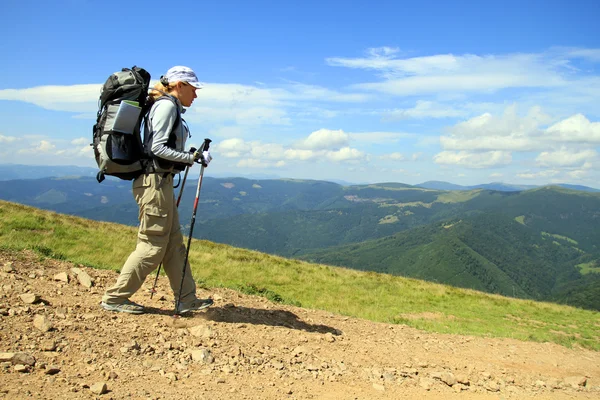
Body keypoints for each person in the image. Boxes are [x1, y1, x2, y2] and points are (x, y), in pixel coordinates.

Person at [101, 66, 213, 314]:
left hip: (160, 183)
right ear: (180, 85)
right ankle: (115, 298)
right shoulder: (167, 106)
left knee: (173, 245)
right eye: (193, 89)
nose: (195, 95)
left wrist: (188, 156)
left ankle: (186, 299)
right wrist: (191, 157)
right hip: (154, 183)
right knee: (152, 246)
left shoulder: (168, 106)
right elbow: (157, 148)